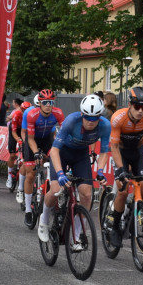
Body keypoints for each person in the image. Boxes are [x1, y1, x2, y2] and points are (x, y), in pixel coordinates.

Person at [37, 95, 111, 246]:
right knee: (56, 189)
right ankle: (44, 221)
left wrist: (101, 171)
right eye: (88, 117)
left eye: (95, 118)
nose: (91, 122)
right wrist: (59, 173)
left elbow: (104, 152)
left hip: (80, 155)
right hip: (62, 153)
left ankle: (76, 235)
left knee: (86, 194)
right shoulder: (72, 121)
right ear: (82, 114)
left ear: (100, 116)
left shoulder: (105, 125)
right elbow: (54, 151)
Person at [105, 87, 143, 247]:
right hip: (121, 152)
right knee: (123, 190)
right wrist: (120, 170)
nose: (141, 111)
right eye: (137, 107)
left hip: (138, 151)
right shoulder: (118, 118)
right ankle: (115, 228)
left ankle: (134, 211)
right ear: (130, 104)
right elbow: (113, 146)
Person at [20, 90, 65, 227]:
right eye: (45, 102)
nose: (48, 105)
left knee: (56, 163)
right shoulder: (31, 114)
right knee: (31, 173)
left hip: (47, 139)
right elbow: (30, 138)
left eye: (50, 102)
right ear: (39, 103)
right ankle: (28, 210)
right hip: (32, 140)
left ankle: (54, 199)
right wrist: (35, 153)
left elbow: (64, 132)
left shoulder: (58, 113)